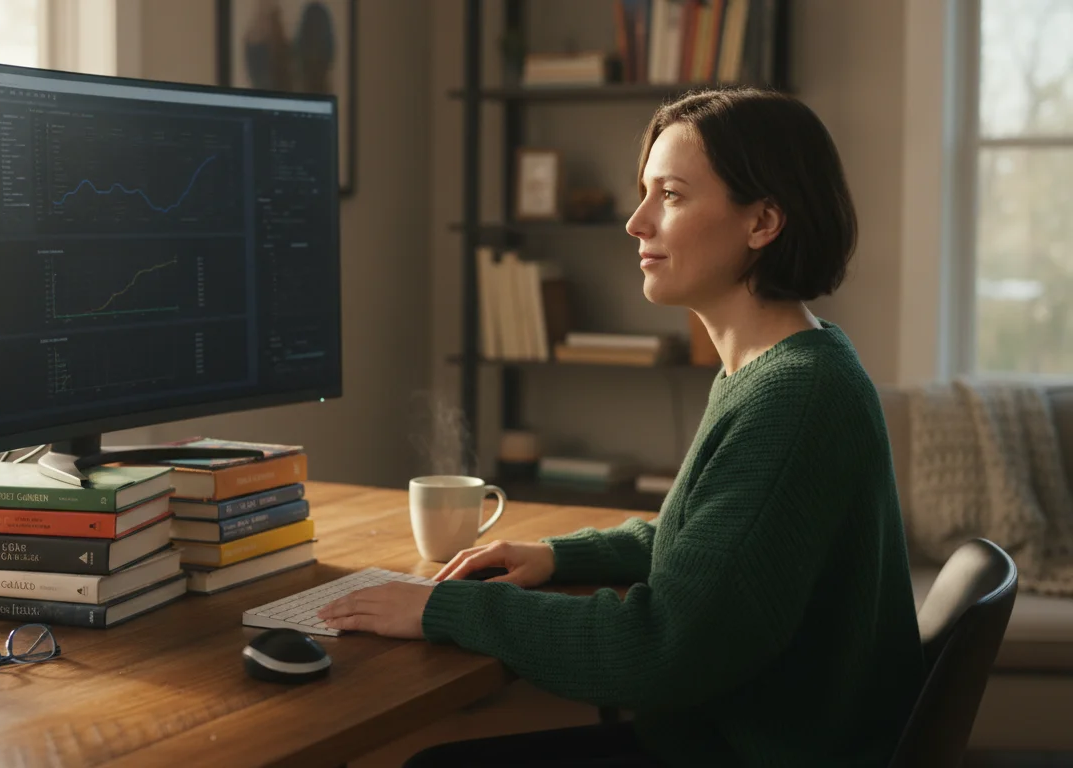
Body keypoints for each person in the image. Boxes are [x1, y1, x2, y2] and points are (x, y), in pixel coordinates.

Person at [317, 87, 925, 767]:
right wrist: (560, 555)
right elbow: (710, 546)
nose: (636, 222)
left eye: (669, 195)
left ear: (763, 222)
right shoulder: (784, 366)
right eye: (644, 192)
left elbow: (662, 649)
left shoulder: (795, 397)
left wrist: (440, 611)